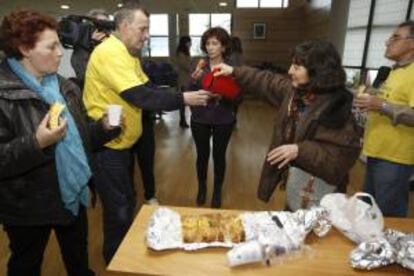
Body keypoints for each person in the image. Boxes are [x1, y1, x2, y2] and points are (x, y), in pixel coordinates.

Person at [82, 4, 210, 263]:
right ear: (124, 26)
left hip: (124, 142)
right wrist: (183, 98)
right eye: (143, 29)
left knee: (126, 199)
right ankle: (116, 260)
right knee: (118, 209)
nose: (147, 35)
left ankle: (123, 253)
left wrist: (180, 92)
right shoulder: (110, 52)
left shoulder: (127, 53)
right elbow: (140, 96)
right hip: (108, 147)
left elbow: (148, 86)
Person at [0, 10, 120, 276]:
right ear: (24, 49)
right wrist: (37, 143)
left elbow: (81, 138)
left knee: (78, 260)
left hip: (73, 193)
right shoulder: (3, 93)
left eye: (59, 44)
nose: (60, 53)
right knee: (25, 265)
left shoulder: (66, 87)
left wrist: (103, 128)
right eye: (51, 46)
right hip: (27, 206)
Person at [214, 40, 361, 207]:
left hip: (322, 194)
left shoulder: (337, 106)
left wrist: (300, 150)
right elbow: (266, 81)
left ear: (317, 72)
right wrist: (234, 71)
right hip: (297, 183)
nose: (290, 71)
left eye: (297, 67)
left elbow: (338, 160)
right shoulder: (297, 92)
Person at [354, 21, 414, 217]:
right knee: (368, 213)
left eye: (395, 37)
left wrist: (381, 105)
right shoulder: (391, 71)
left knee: (388, 217)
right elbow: (383, 101)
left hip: (395, 160)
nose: (388, 42)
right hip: (375, 153)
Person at [189, 27, 238, 208]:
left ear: (223, 47)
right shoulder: (200, 67)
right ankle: (202, 188)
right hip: (200, 117)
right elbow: (189, 92)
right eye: (208, 43)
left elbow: (238, 96)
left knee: (219, 156)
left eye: (215, 43)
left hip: (223, 118)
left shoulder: (231, 69)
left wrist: (223, 95)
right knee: (202, 156)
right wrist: (194, 80)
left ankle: (217, 190)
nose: (210, 47)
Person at [70, 9, 110, 88]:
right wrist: (94, 46)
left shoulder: (112, 46)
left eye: (107, 25)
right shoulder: (81, 51)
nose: (105, 31)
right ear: (89, 28)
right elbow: (86, 77)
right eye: (100, 25)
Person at [175, 35, 192, 128]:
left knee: (185, 101)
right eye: (189, 42)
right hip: (183, 80)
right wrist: (193, 70)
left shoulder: (186, 52)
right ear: (185, 43)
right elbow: (185, 65)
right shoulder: (181, 53)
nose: (190, 44)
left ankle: (183, 120)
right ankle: (182, 120)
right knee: (183, 101)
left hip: (187, 79)